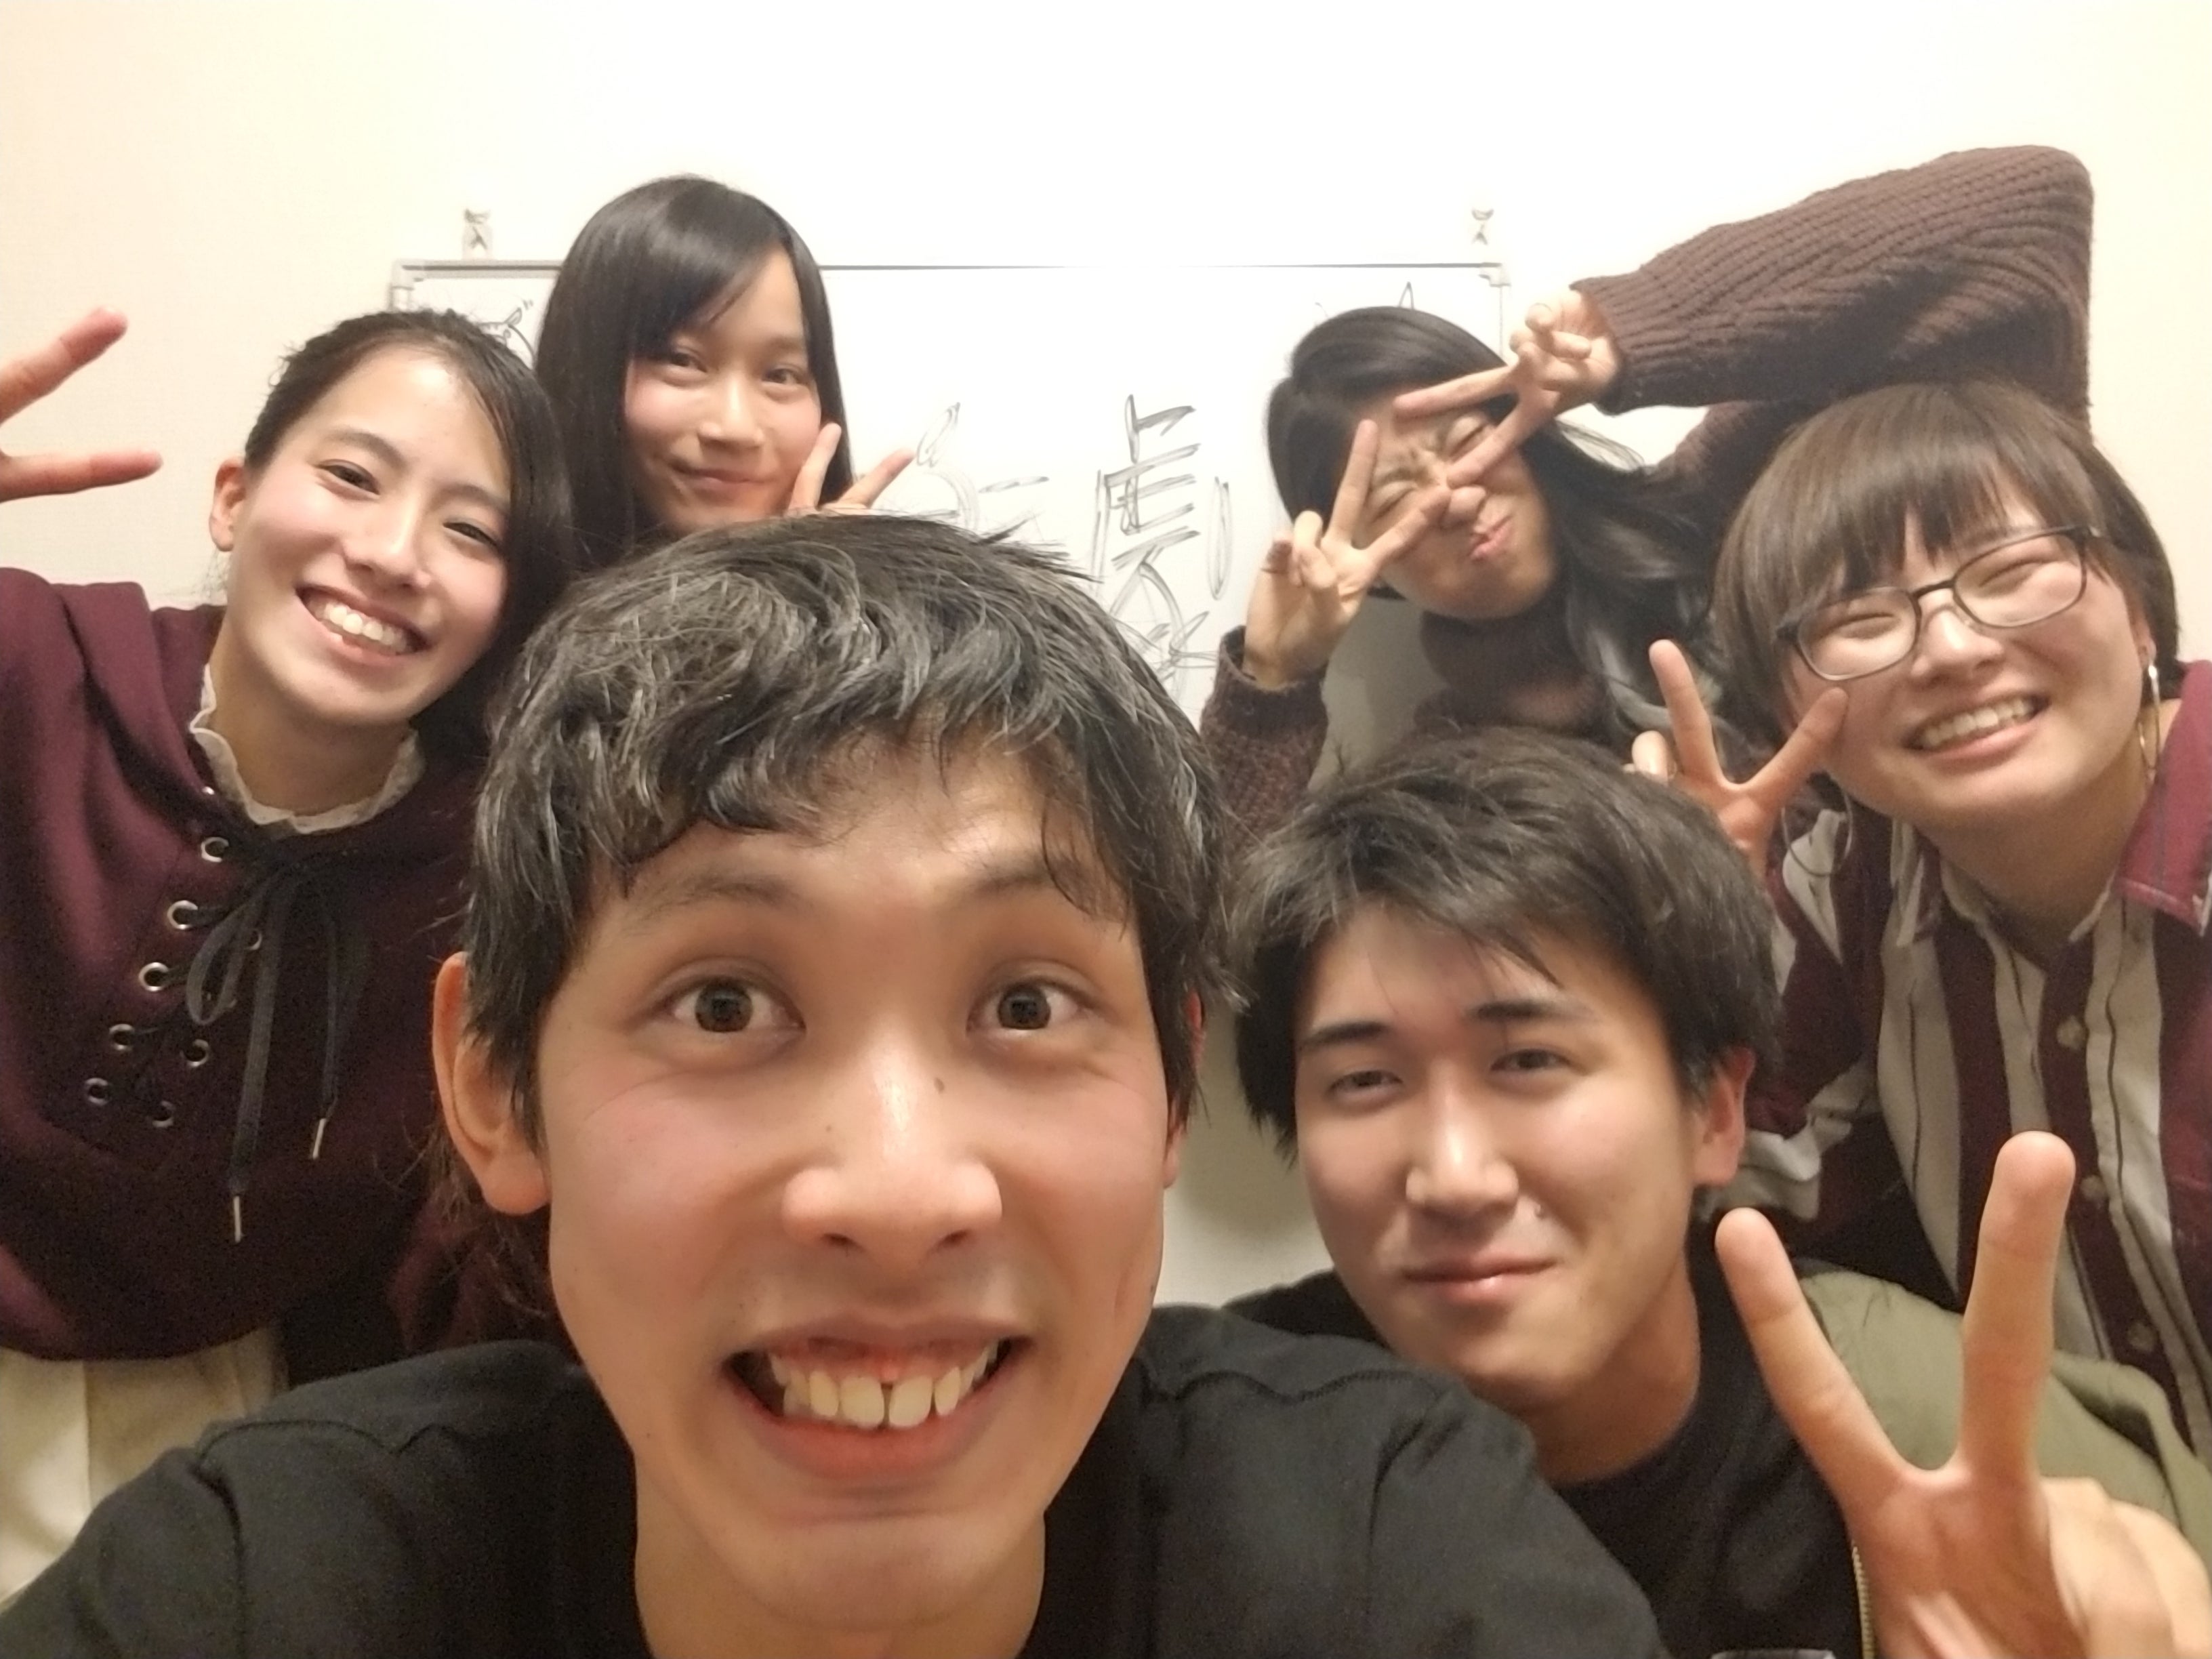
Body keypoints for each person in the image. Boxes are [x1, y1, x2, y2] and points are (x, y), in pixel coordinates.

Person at [0, 518, 1669, 1656]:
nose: (895, 1190)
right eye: (725, 1003)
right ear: (494, 1084)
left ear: (1171, 1089)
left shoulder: (1399, 1555)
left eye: (1025, 1003)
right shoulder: (259, 1587)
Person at [1227, 731, 2212, 1659]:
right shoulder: (1211, 1468)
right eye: (1365, 1080)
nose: (1453, 1177)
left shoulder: (1982, 1456)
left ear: (1714, 1110)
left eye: (1529, 1060)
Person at [0, 307, 575, 1601]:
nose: (392, 553)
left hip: (213, 1445)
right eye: (353, 475)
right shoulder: (27, 662)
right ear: (233, 496)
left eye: (470, 531)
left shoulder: (497, 881)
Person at [1624, 354, 2212, 1464]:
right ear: (1787, 711)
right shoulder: (1845, 892)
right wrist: (1687, 951)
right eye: (1857, 615)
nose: (1951, 648)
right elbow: (1727, 1210)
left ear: (2138, 613)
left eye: (2012, 569)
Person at [1200, 144, 2092, 846]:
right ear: (1376, 575)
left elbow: (2027, 218)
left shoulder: (1736, 498)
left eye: (1468, 441)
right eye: (1396, 497)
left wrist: (1633, 335)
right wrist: (1275, 682)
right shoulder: (1456, 783)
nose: (1456, 497)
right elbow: (1202, 945)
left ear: (1526, 426)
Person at [534, 175, 912, 569]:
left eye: (780, 375)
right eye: (682, 361)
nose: (736, 428)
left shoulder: (873, 597)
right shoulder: (501, 595)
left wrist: (830, 585)